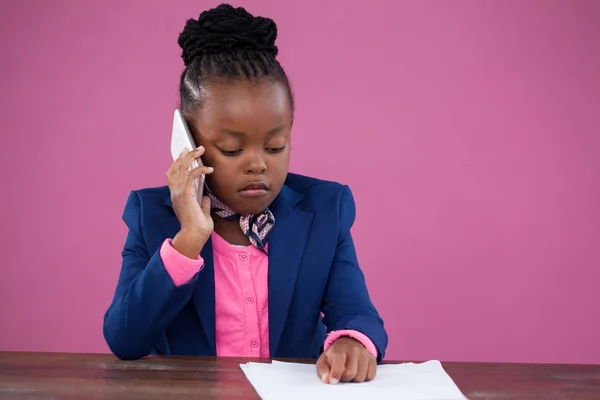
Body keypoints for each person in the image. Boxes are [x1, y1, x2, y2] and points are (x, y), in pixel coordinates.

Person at [103, 3, 387, 385]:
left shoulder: (325, 210)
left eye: (275, 147)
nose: (258, 165)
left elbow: (356, 310)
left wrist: (353, 341)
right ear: (187, 142)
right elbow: (125, 337)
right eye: (233, 150)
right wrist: (188, 240)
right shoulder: (151, 215)